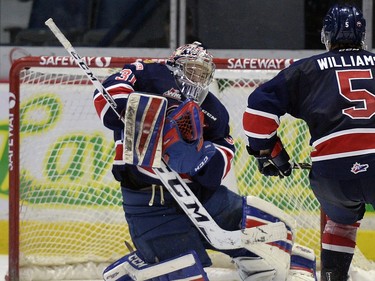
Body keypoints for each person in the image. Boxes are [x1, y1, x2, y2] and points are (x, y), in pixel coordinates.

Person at [94, 41, 316, 280]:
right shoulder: (149, 73)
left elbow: (219, 165)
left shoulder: (214, 110)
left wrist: (197, 159)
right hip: (150, 204)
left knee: (275, 231)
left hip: (202, 197)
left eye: (203, 73)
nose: (197, 78)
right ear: (175, 67)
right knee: (182, 274)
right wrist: (145, 117)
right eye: (191, 70)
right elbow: (109, 98)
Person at [242, 4, 372, 281]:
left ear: (326, 35)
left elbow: (257, 110)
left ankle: (332, 278)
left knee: (340, 222)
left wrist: (269, 151)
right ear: (363, 35)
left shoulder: (307, 69)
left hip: (333, 174)